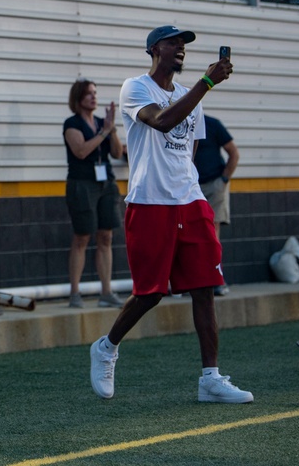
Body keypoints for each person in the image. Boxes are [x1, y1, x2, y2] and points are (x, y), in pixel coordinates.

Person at [88, 24, 253, 405]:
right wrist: (206, 83)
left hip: (190, 199)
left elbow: (188, 153)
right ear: (153, 49)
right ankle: (106, 347)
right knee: (150, 293)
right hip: (149, 201)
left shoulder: (191, 95)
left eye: (184, 44)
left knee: (204, 287)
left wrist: (187, 187)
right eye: (173, 42)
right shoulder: (136, 87)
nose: (180, 48)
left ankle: (210, 378)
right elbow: (161, 121)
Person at [63, 79, 124, 309]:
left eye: (95, 93)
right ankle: (75, 292)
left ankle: (106, 292)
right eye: (89, 93)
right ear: (78, 98)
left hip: (106, 184)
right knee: (82, 237)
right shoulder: (72, 124)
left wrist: (112, 130)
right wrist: (103, 133)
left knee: (106, 236)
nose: (94, 97)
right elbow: (80, 151)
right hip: (82, 184)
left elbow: (117, 153)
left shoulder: (102, 123)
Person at [194, 115, 239, 297]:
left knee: (212, 233)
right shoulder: (179, 124)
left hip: (214, 184)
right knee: (192, 234)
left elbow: (233, 153)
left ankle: (217, 280)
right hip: (191, 186)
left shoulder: (212, 124)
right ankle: (196, 280)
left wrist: (224, 179)